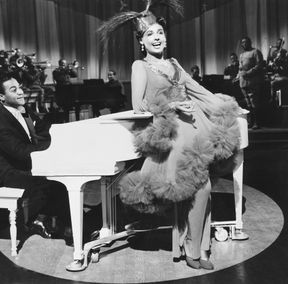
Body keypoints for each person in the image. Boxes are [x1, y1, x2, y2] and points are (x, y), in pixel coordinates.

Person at [99, 3, 242, 271]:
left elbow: (198, 90)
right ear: (142, 41)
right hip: (172, 134)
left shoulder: (174, 64)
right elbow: (139, 105)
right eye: (150, 34)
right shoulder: (140, 66)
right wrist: (172, 106)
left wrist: (227, 107)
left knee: (200, 191)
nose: (157, 37)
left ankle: (196, 247)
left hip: (194, 129)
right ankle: (191, 248)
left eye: (160, 32)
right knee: (200, 188)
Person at [0, 74, 71, 241]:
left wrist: (59, 142)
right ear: (1, 97)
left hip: (27, 164)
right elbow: (19, 152)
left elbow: (44, 131)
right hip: (11, 172)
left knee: (63, 177)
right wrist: (48, 150)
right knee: (47, 180)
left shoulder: (26, 110)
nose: (20, 92)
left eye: (20, 87)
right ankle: (39, 219)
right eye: (14, 90)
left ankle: (61, 222)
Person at [239, 36, 264, 129]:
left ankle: (256, 123)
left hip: (253, 81)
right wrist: (240, 75)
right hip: (243, 82)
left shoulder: (255, 52)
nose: (244, 44)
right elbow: (240, 67)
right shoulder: (241, 55)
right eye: (242, 42)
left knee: (254, 103)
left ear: (250, 43)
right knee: (248, 103)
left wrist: (248, 72)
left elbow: (260, 65)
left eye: (246, 42)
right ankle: (250, 121)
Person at [267, 38, 288, 103]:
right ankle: (276, 99)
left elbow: (284, 64)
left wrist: (281, 59)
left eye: (279, 43)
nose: (277, 44)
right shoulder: (274, 52)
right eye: (277, 43)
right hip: (276, 74)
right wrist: (270, 49)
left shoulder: (284, 52)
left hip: (283, 75)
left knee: (273, 83)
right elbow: (269, 59)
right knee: (269, 80)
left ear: (282, 44)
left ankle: (273, 99)